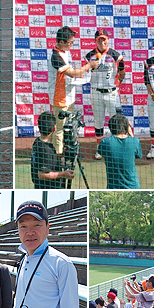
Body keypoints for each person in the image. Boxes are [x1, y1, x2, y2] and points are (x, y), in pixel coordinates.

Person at [12, 201, 79, 308]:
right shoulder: (23, 259)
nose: (30, 232)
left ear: (48, 227)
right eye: (23, 226)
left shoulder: (61, 263)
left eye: (37, 225)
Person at [48, 26, 99, 155]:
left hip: (69, 95)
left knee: (68, 127)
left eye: (72, 42)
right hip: (60, 98)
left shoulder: (66, 52)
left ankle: (65, 151)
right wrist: (89, 65)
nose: (71, 45)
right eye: (69, 43)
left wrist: (80, 74)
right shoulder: (55, 56)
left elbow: (71, 73)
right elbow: (71, 73)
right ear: (61, 42)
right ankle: (58, 156)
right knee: (59, 128)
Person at [85, 29, 126, 160]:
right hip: (96, 91)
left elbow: (122, 73)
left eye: (104, 39)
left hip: (111, 93)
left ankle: (117, 147)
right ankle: (99, 148)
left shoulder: (116, 55)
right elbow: (85, 73)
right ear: (95, 41)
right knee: (98, 121)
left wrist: (116, 85)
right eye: (99, 39)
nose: (102, 42)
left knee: (116, 121)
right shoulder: (89, 56)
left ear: (108, 40)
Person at [31, 111, 74, 188]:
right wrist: (63, 174)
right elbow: (41, 174)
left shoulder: (37, 142)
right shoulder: (45, 149)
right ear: (54, 128)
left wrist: (59, 162)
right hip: (49, 187)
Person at [97, 113, 142, 189]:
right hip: (133, 187)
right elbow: (138, 155)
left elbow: (101, 152)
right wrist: (131, 134)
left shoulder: (105, 142)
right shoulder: (135, 141)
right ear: (127, 127)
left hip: (113, 187)